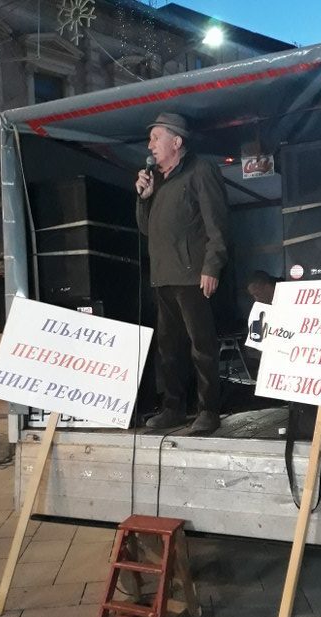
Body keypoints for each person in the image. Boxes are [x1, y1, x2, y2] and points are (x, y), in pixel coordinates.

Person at [135, 112, 228, 434]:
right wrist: (143, 198)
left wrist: (211, 266)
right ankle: (173, 409)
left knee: (201, 347)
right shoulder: (158, 179)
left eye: (156, 138)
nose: (151, 145)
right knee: (168, 349)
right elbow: (146, 229)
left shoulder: (200, 170)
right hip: (163, 276)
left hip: (192, 276)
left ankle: (208, 411)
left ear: (176, 142)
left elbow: (217, 223)